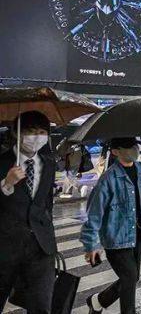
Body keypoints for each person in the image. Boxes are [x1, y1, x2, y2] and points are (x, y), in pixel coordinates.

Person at [82, 137, 141, 314]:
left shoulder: (140, 169)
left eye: (135, 146)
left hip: (138, 234)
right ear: (115, 152)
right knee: (129, 277)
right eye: (128, 147)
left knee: (132, 278)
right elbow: (94, 213)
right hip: (116, 238)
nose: (134, 150)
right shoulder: (108, 179)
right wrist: (91, 244)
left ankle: (98, 301)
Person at [0, 112, 57, 313]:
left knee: (41, 306)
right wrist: (7, 184)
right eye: (31, 132)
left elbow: (47, 202)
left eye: (42, 132)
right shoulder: (2, 162)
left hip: (40, 248)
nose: (36, 137)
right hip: (5, 248)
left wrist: (48, 235)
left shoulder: (49, 163)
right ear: (17, 133)